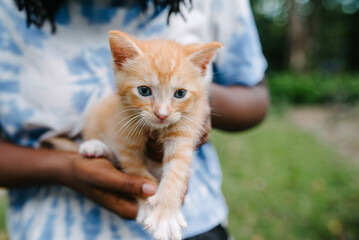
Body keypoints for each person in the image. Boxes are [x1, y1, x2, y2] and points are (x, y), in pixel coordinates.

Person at [0, 0, 269, 239]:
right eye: (145, 91)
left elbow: (256, 97)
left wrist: (196, 104)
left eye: (178, 94)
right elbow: (126, 150)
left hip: (198, 227)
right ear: (119, 62)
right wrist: (65, 168)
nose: (162, 112)